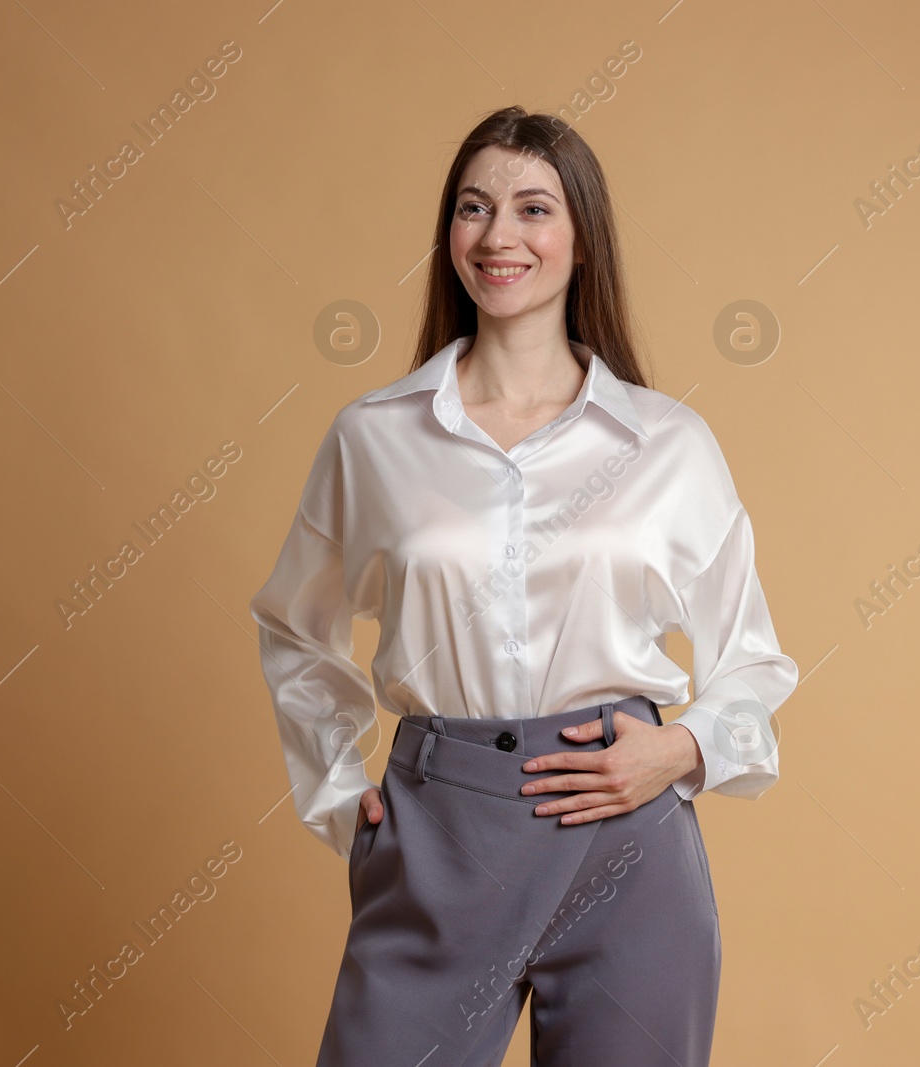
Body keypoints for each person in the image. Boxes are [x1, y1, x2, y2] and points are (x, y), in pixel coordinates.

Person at [248, 105, 798, 1067]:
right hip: (437, 836)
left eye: (533, 208)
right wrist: (343, 799)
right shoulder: (375, 436)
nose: (499, 235)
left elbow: (752, 658)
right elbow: (295, 626)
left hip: (622, 834)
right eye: (473, 207)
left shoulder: (667, 444)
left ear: (582, 240)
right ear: (450, 235)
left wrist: (679, 751)